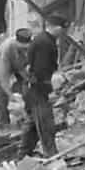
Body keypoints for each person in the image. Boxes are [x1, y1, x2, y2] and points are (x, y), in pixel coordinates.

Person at [19, 16, 62, 158]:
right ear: (57, 27)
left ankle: (23, 156)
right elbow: (41, 70)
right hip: (37, 88)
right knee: (46, 124)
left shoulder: (43, 39)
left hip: (31, 87)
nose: (64, 32)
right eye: (63, 29)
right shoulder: (45, 43)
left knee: (32, 123)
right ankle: (52, 156)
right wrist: (48, 90)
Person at [0, 28, 32, 131]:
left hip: (20, 63)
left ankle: (29, 116)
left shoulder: (32, 45)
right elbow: (3, 80)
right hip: (5, 62)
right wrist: (11, 96)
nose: (25, 50)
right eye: (22, 48)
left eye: (26, 49)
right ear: (17, 43)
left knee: (27, 86)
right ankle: (3, 123)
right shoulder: (5, 53)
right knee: (3, 93)